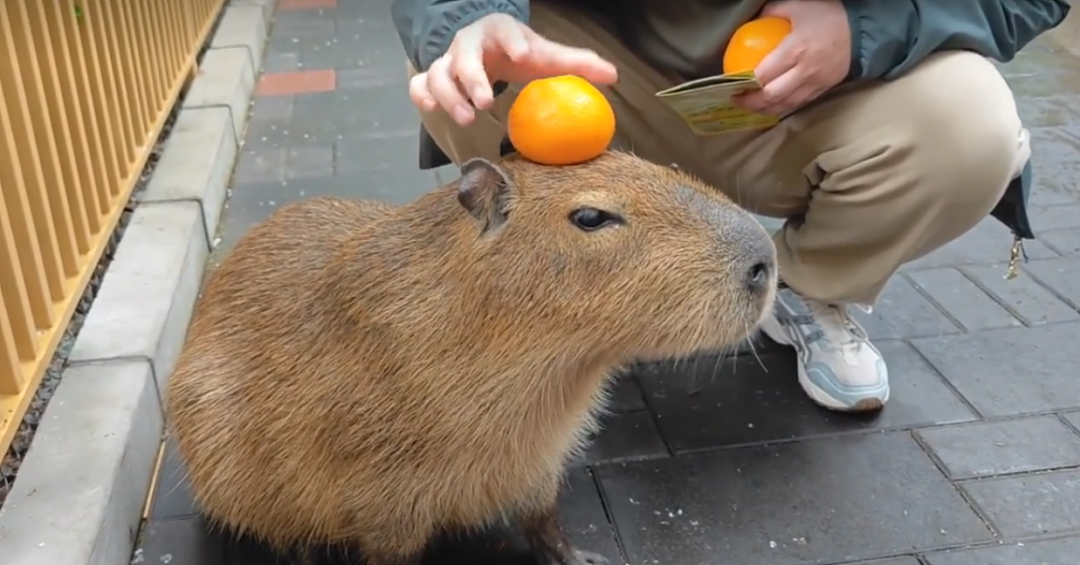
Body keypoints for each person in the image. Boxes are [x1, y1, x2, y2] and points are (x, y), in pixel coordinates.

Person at [390, 0, 1070, 413]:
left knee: (971, 126)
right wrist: (469, 18)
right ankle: (554, 304)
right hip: (594, 69)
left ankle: (811, 286)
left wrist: (865, 26)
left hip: (817, 88)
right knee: (471, 79)